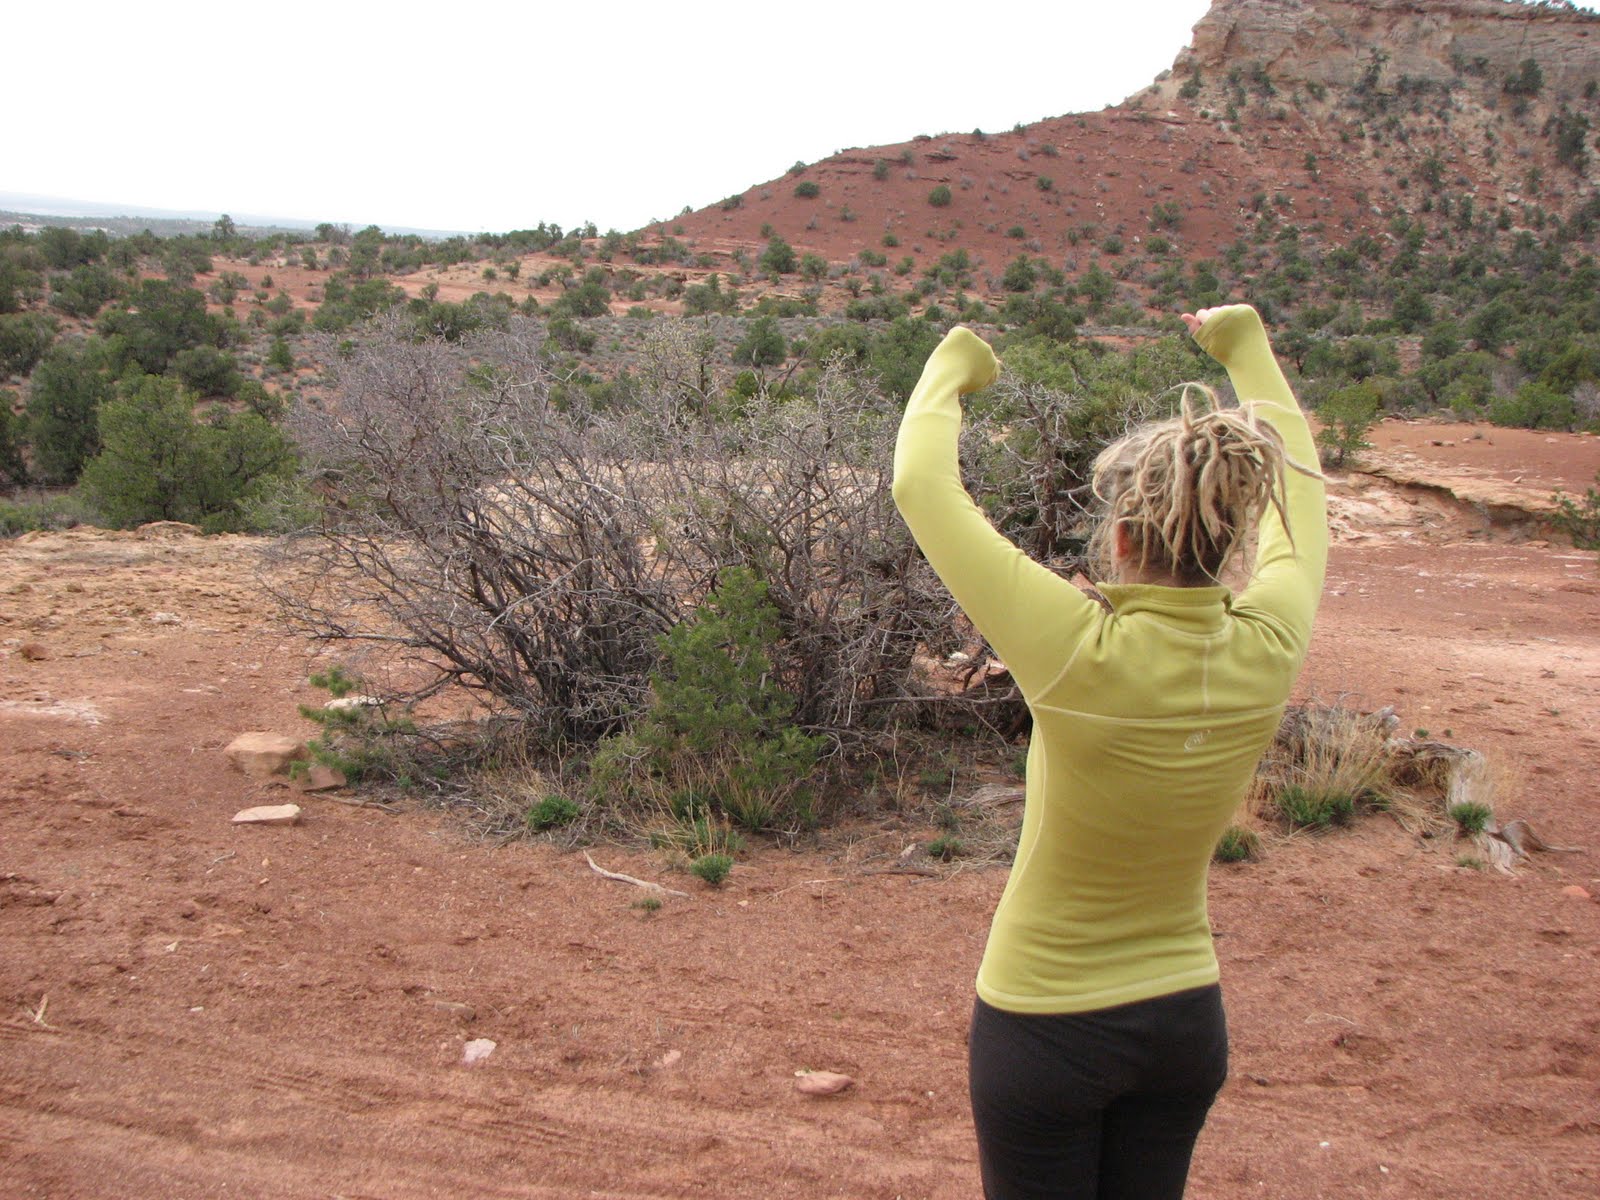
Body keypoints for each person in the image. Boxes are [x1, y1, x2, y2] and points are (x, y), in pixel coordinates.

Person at [891, 304, 1327, 1200]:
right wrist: (1246, 347)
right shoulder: (1268, 642)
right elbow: (1307, 497)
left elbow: (922, 489)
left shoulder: (1078, 652)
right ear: (1235, 540)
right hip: (1185, 1024)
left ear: (1122, 540)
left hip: (1045, 1026)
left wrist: (956, 361)